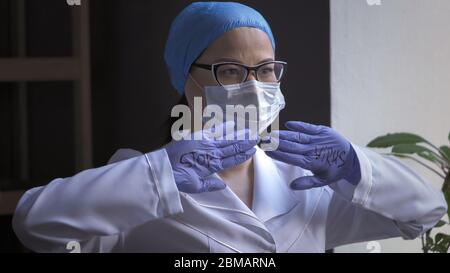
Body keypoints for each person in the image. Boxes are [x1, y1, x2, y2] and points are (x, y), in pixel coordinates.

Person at [12, 2, 446, 253]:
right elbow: (35, 225)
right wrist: (160, 174)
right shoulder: (139, 176)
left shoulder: (307, 185)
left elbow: (425, 212)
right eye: (232, 70)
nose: (256, 87)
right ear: (187, 78)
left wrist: (356, 165)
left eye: (267, 69)